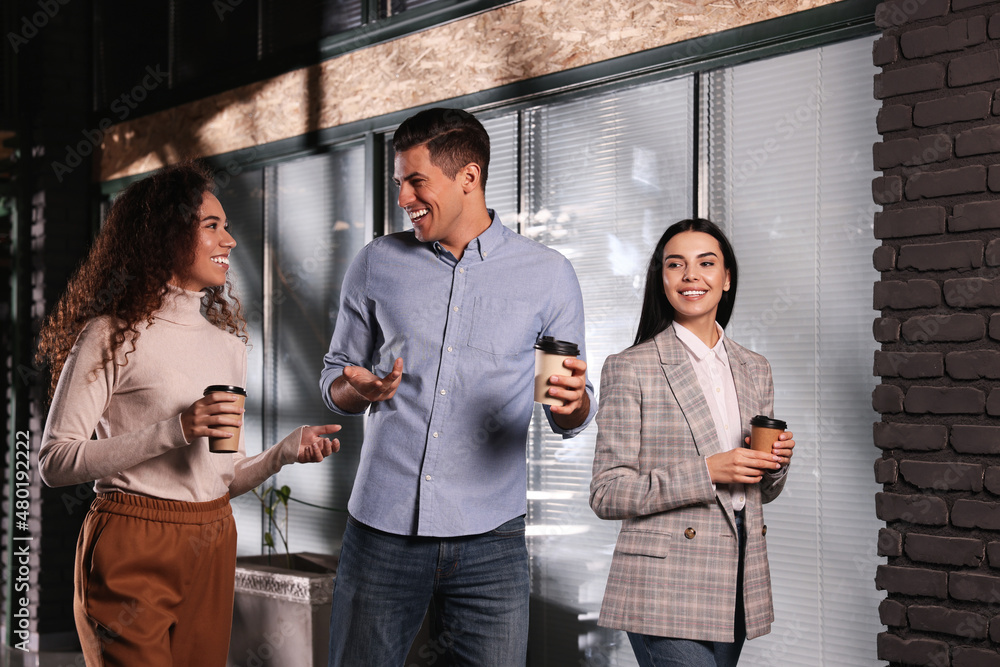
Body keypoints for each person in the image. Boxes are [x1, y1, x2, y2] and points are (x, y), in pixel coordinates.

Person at [319, 107, 596, 665]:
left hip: (490, 538)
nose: (403, 198)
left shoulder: (548, 275)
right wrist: (360, 390)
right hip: (381, 529)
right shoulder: (376, 262)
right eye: (399, 182)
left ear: (468, 177)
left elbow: (569, 412)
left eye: (416, 181)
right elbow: (334, 376)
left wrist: (573, 403)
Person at [36, 162, 341, 667]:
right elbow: (54, 461)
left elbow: (221, 477)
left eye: (226, 225)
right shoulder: (109, 334)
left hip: (213, 538)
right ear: (166, 234)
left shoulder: (229, 346)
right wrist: (175, 429)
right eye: (212, 226)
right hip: (132, 542)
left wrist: (282, 453)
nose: (231, 240)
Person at [589, 219, 795, 667]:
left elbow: (760, 492)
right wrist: (707, 471)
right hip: (663, 578)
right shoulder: (630, 367)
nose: (690, 276)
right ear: (661, 279)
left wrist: (776, 465)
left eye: (706, 263)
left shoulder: (755, 367)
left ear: (726, 279)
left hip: (737, 567)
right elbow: (606, 492)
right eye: (675, 264)